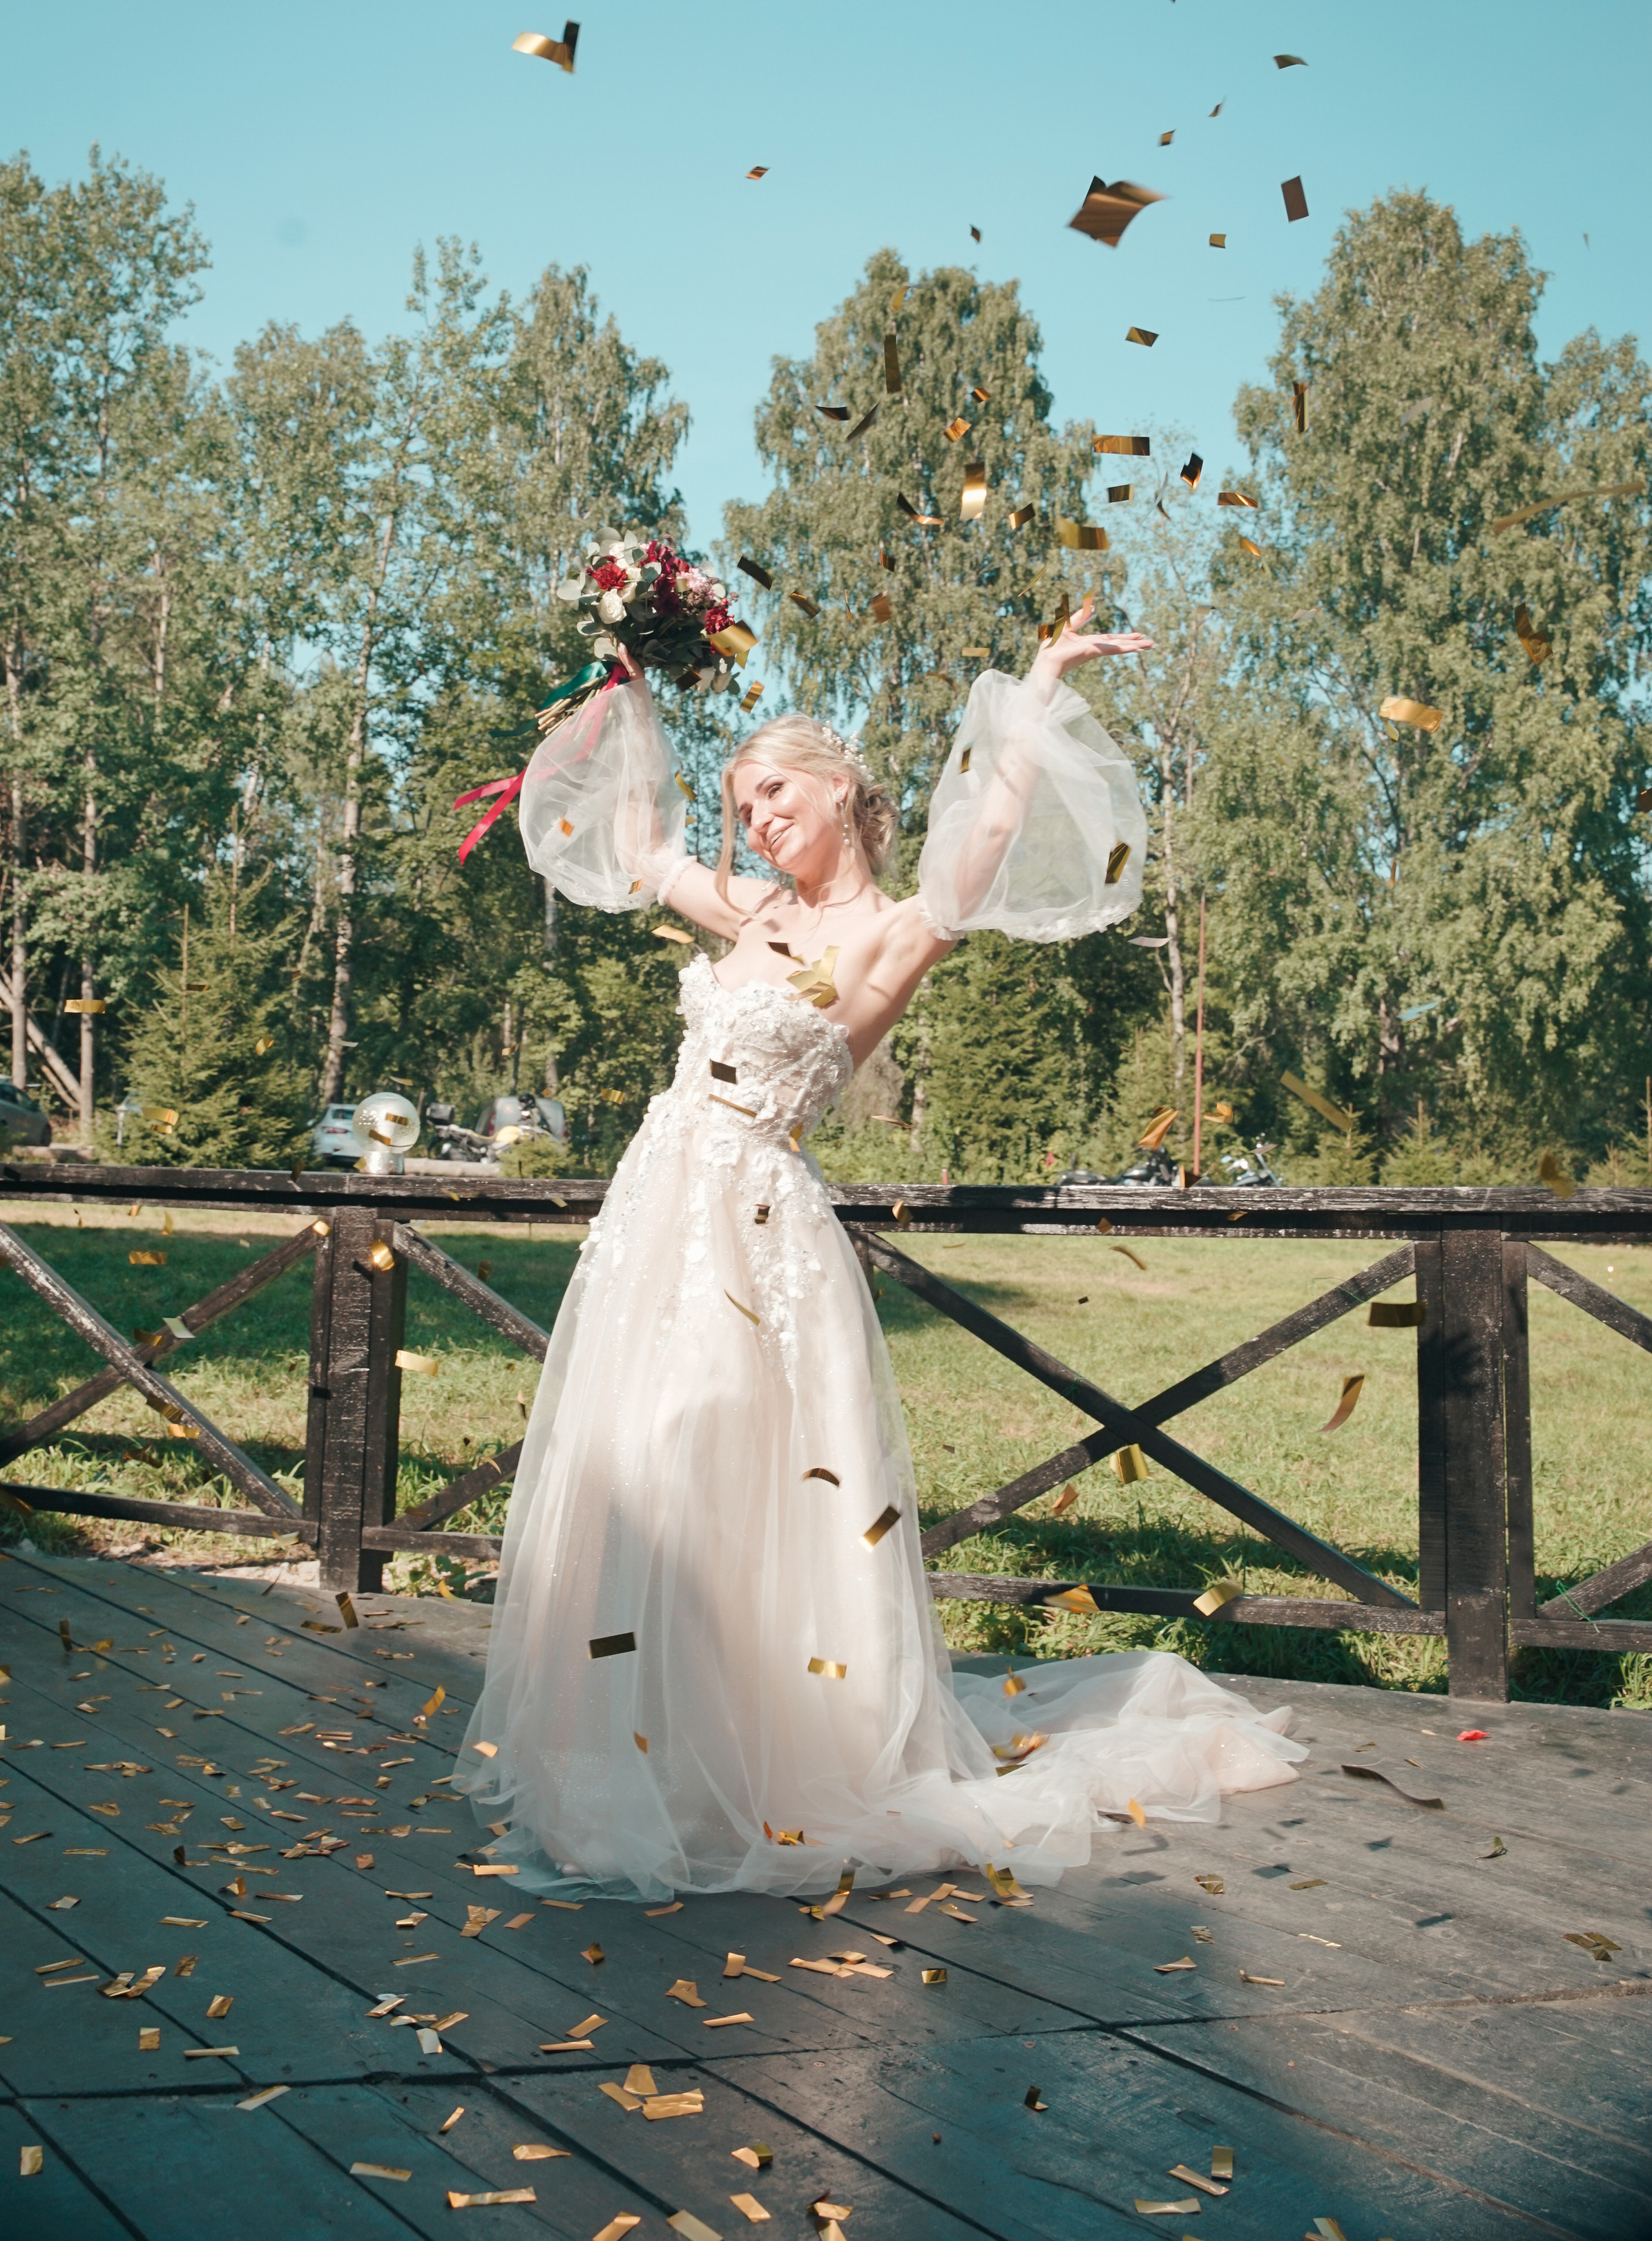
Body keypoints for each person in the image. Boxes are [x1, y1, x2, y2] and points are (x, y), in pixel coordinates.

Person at [453, 604, 1303, 1897]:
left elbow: (990, 835)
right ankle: (651, 1754)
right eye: (741, 805)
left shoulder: (896, 930)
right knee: (640, 1469)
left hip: (758, 1229)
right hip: (655, 1217)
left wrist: (1040, 680)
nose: (755, 820)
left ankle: (786, 1759)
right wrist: (625, 684)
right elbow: (638, 845)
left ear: (841, 788)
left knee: (722, 1451)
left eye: (774, 792)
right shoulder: (747, 911)